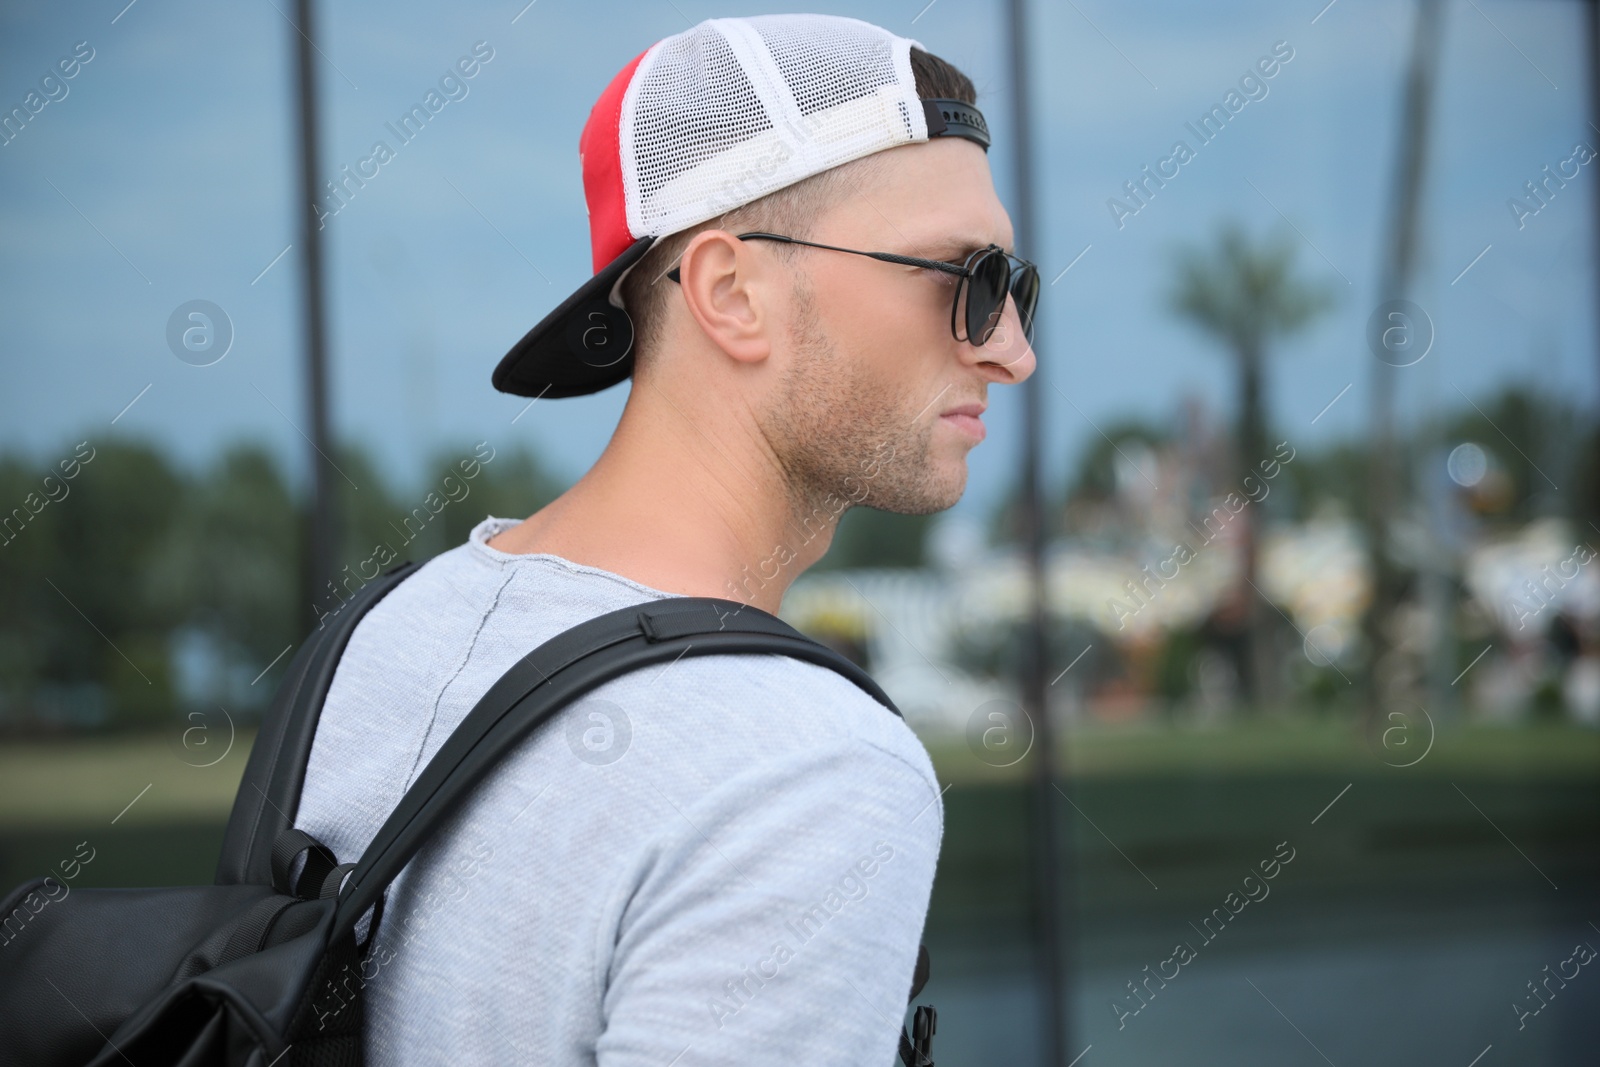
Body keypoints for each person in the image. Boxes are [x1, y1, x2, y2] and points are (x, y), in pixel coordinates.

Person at [292, 13, 1038, 1065]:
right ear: (732, 294)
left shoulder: (375, 639)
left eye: (1015, 289)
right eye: (967, 280)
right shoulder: (807, 767)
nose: (1010, 349)